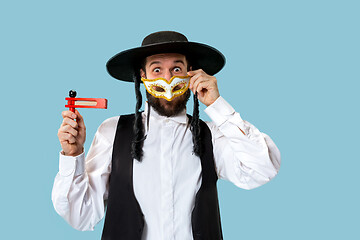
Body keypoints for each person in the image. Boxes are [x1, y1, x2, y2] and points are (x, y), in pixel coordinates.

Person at [52, 31, 281, 240]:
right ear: (143, 76)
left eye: (177, 69)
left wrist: (217, 105)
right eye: (157, 69)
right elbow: (80, 216)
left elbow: (263, 168)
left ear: (191, 74)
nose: (168, 78)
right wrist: (73, 155)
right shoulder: (112, 132)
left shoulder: (212, 136)